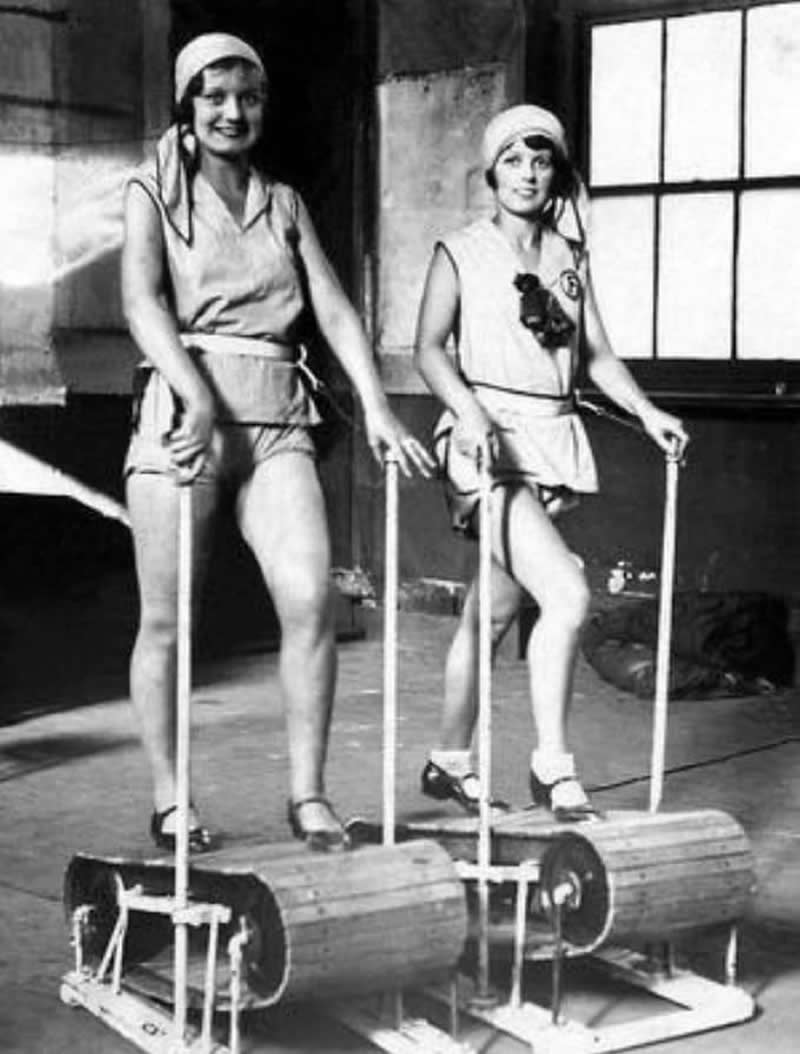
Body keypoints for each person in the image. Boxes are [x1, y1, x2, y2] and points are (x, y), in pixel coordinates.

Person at [122, 33, 433, 854]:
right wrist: (194, 394)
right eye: (215, 97)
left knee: (308, 600)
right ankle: (171, 800)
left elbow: (331, 309)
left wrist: (376, 407)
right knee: (167, 621)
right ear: (188, 107)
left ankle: (309, 796)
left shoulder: (284, 203)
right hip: (181, 419)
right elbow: (142, 304)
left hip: (277, 417)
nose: (233, 112)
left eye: (249, 97)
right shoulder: (152, 191)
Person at [414, 104, 688, 822]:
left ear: (556, 173)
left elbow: (596, 356)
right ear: (491, 173)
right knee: (566, 593)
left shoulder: (569, 255)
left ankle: (449, 761)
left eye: (541, 162)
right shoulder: (460, 251)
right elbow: (428, 349)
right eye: (513, 161)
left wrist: (647, 413)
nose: (528, 174)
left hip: (550, 439)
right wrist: (468, 411)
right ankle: (554, 768)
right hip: (486, 441)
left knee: (493, 609)